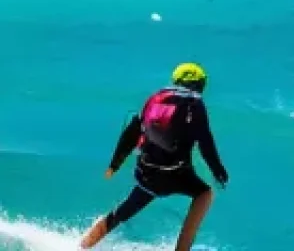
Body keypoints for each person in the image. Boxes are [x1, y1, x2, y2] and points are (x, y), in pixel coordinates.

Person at [80, 62, 228, 251]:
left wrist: (114, 166)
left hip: (147, 173)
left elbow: (132, 132)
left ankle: (82, 245)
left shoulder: (155, 98)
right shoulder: (195, 104)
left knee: (123, 212)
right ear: (201, 84)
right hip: (176, 174)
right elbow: (205, 141)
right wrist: (218, 172)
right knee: (204, 194)